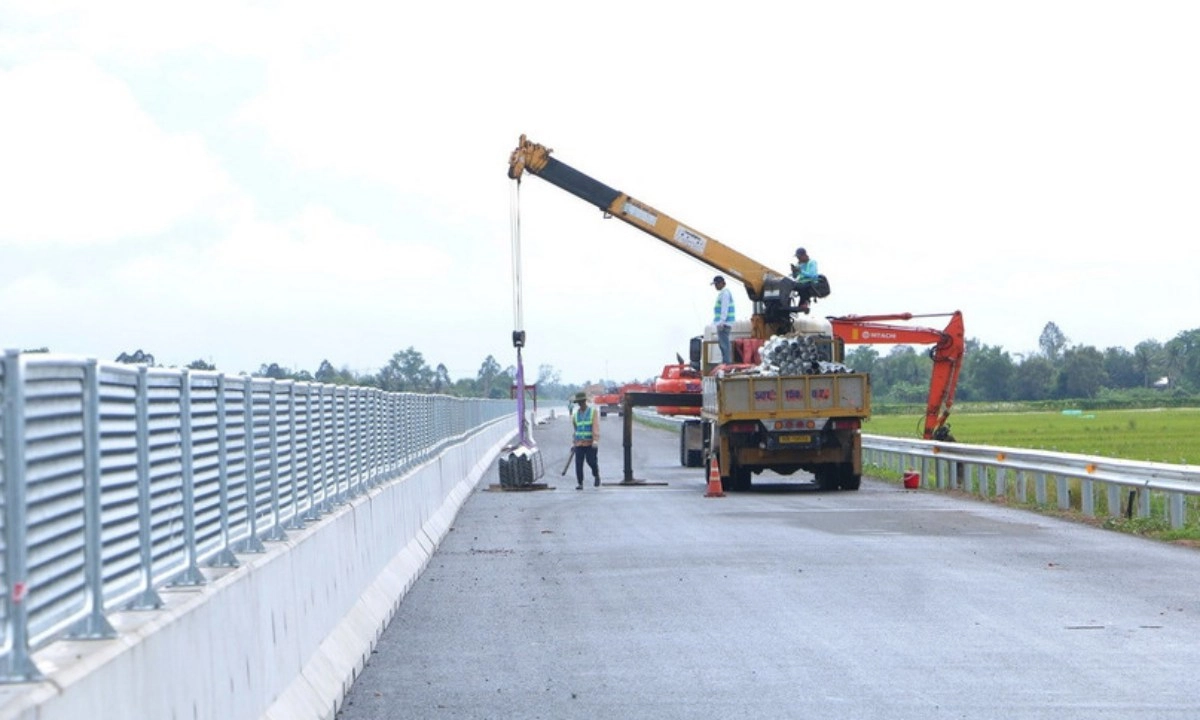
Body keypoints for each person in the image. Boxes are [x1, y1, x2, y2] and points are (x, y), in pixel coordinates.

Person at [570, 392, 601, 489]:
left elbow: (595, 426)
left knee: (591, 461)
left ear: (585, 401)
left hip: (590, 443)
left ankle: (596, 475)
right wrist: (574, 443)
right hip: (579, 443)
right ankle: (580, 483)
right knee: (578, 464)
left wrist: (595, 440)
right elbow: (576, 430)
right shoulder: (575, 415)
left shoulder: (593, 412)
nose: (581, 404)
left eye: (582, 402)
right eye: (579, 402)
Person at [711, 275, 735, 365]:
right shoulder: (723, 293)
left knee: (724, 344)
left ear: (722, 283)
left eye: (716, 284)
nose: (715, 286)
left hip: (724, 323)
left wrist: (721, 321)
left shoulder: (725, 293)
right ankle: (725, 361)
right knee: (723, 343)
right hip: (724, 323)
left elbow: (724, 308)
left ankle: (726, 363)